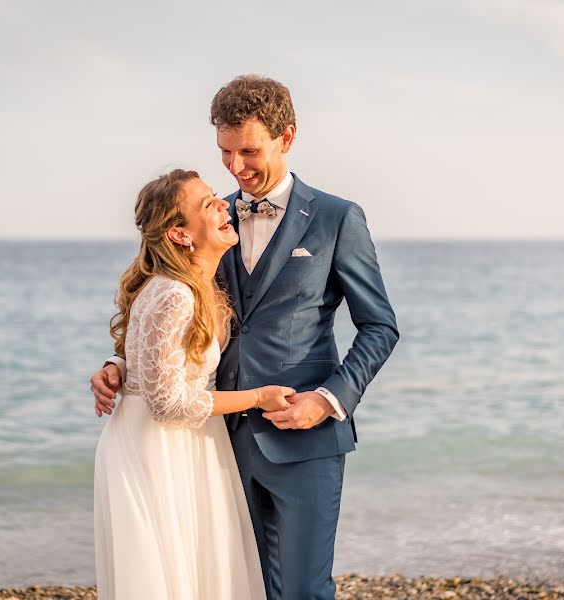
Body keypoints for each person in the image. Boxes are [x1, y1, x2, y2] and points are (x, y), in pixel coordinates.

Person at [91, 76, 399, 600]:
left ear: (288, 137)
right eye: (225, 153)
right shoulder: (213, 218)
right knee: (237, 587)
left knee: (303, 589)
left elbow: (379, 326)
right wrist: (124, 365)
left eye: (249, 151)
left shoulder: (335, 218)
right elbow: (175, 312)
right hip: (216, 443)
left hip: (305, 439)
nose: (236, 168)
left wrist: (327, 402)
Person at [93, 168, 295, 600]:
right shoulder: (175, 294)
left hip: (171, 441)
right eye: (208, 204)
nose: (224, 203)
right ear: (180, 236)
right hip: (162, 448)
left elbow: (149, 358)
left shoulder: (189, 284)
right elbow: (168, 402)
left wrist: (117, 364)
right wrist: (259, 397)